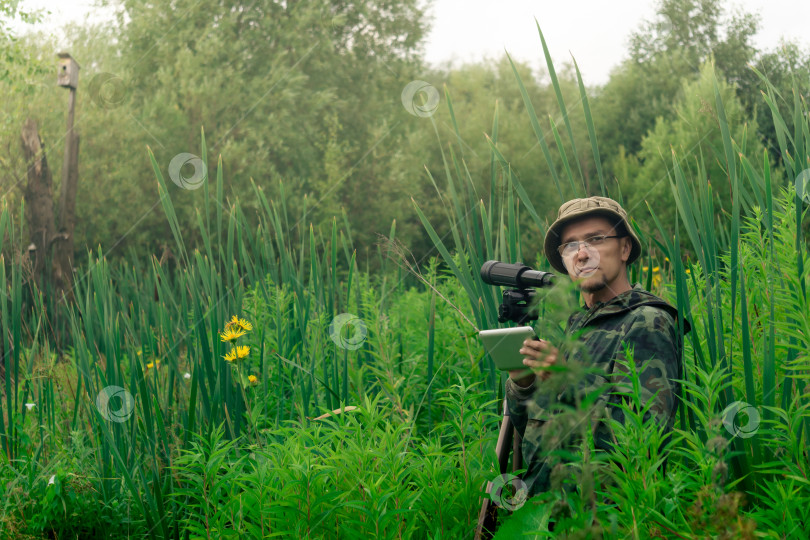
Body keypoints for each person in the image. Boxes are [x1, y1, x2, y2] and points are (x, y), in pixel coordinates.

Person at [505, 196, 690, 499]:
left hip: (604, 519)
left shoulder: (647, 321)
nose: (582, 254)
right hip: (548, 514)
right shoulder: (578, 326)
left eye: (596, 239)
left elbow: (640, 442)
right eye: (570, 245)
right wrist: (524, 385)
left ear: (625, 248)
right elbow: (537, 437)